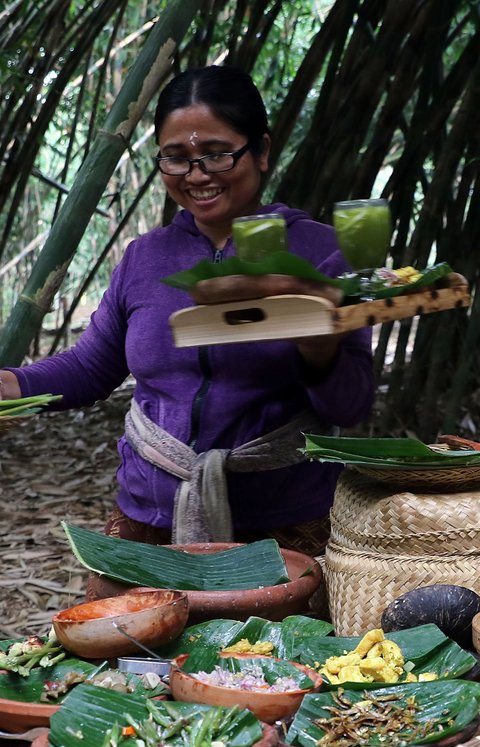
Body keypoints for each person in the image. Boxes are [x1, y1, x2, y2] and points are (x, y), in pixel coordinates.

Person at [0, 65, 375, 557]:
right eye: (176, 159)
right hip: (150, 519)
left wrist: (318, 347)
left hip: (284, 529)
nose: (196, 175)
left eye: (216, 154)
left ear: (261, 151)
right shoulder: (144, 258)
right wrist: (12, 385)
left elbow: (350, 406)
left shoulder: (322, 254)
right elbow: (91, 368)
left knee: (272, 639)